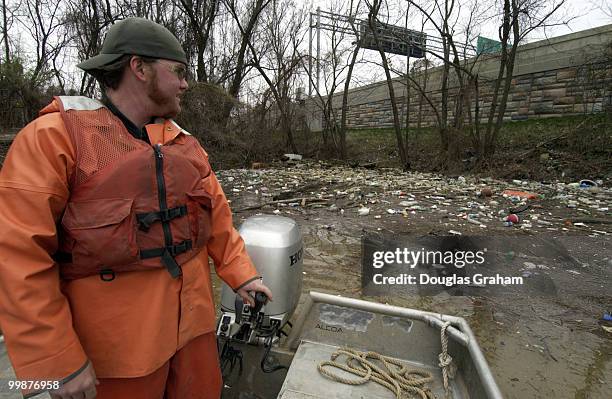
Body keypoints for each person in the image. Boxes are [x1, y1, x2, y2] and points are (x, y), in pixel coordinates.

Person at [0, 17, 272, 399]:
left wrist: (242, 275)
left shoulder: (185, 145)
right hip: (118, 353)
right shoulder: (55, 138)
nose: (185, 83)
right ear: (139, 68)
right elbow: (16, 257)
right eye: (178, 71)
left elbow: (218, 218)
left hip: (193, 336)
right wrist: (56, 360)